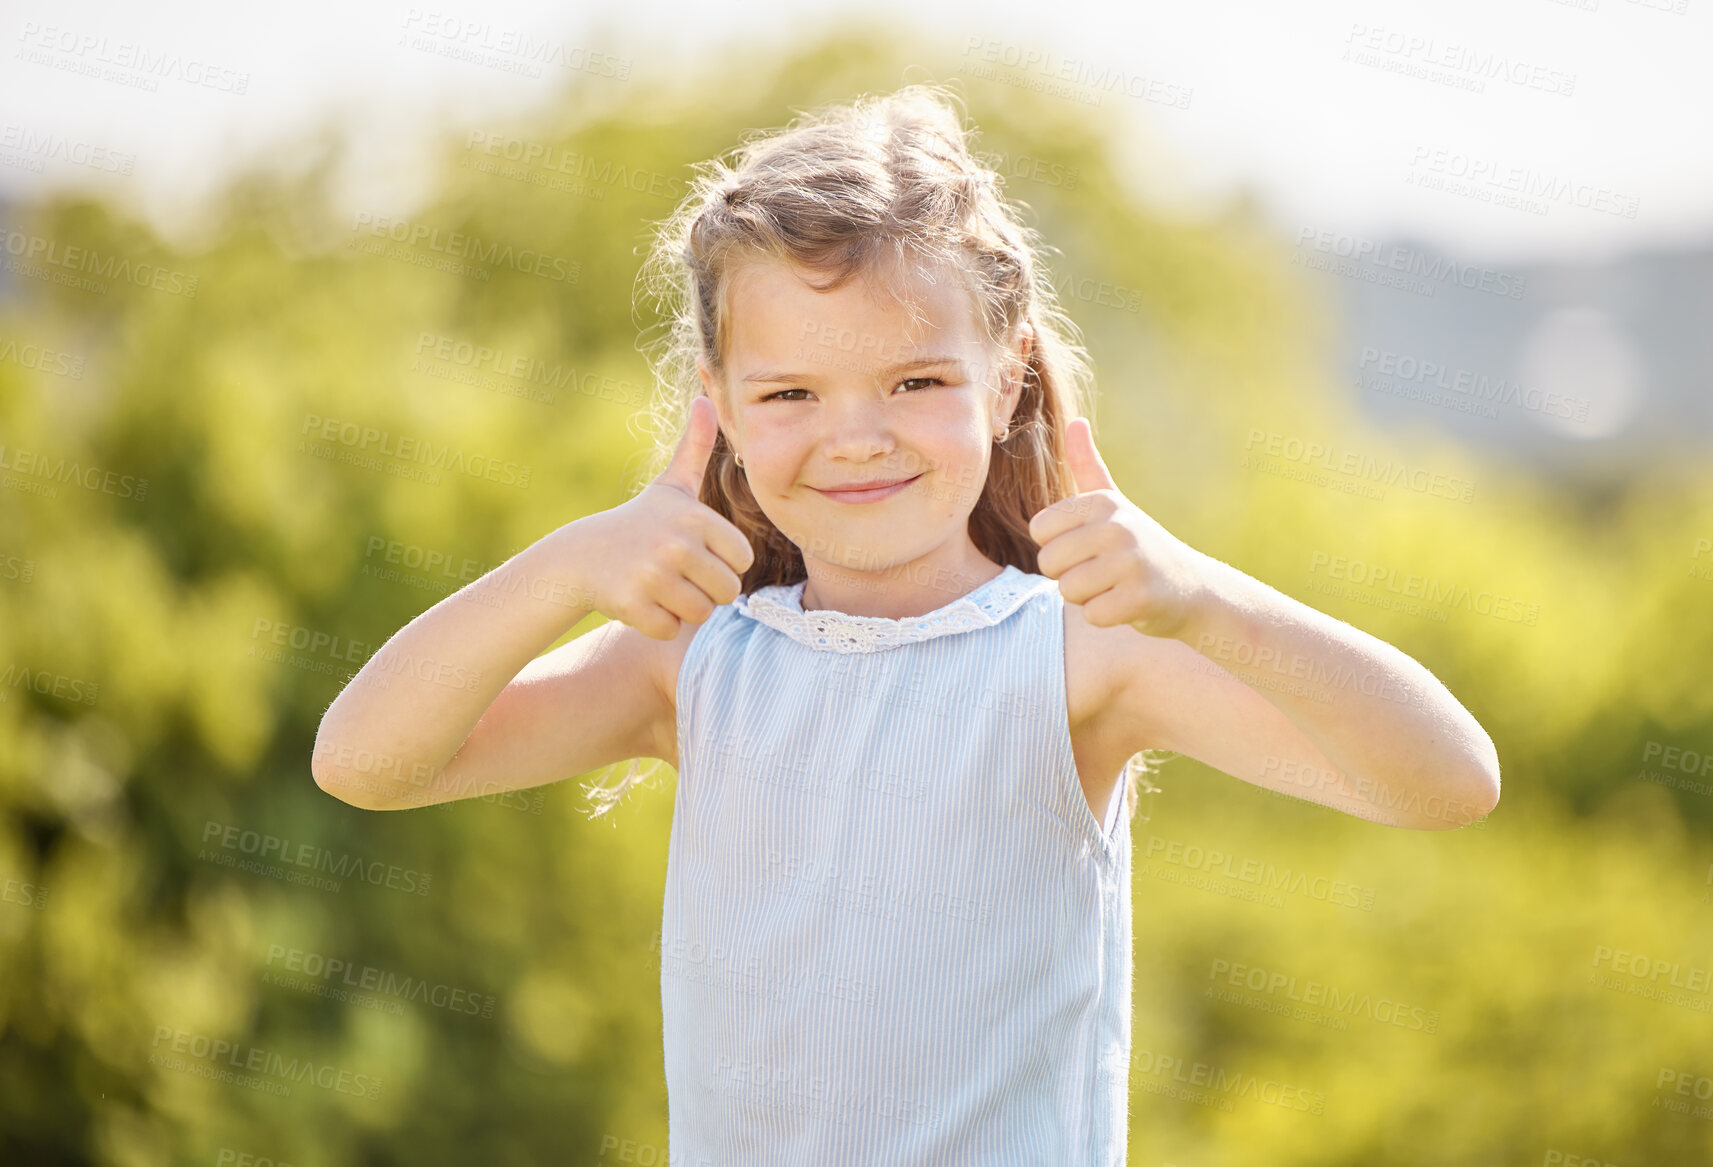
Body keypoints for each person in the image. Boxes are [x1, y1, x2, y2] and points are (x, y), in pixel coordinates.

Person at [312, 82, 1501, 1164]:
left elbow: (1445, 780)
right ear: (718, 406)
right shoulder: (694, 663)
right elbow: (366, 762)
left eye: (916, 381)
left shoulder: (1078, 654)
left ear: (1006, 378)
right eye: (790, 394)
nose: (859, 435)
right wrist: (568, 564)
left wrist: (1204, 597)